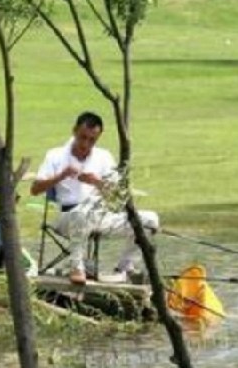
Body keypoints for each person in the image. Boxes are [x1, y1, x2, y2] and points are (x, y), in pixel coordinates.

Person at [30, 111, 160, 285]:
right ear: (74, 131)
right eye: (83, 137)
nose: (86, 144)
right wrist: (61, 175)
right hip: (68, 218)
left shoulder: (103, 156)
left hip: (101, 217)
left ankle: (124, 267)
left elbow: (118, 197)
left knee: (150, 221)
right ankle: (77, 266)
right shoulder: (55, 155)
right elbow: (35, 189)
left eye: (92, 140)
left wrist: (98, 183)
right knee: (82, 213)